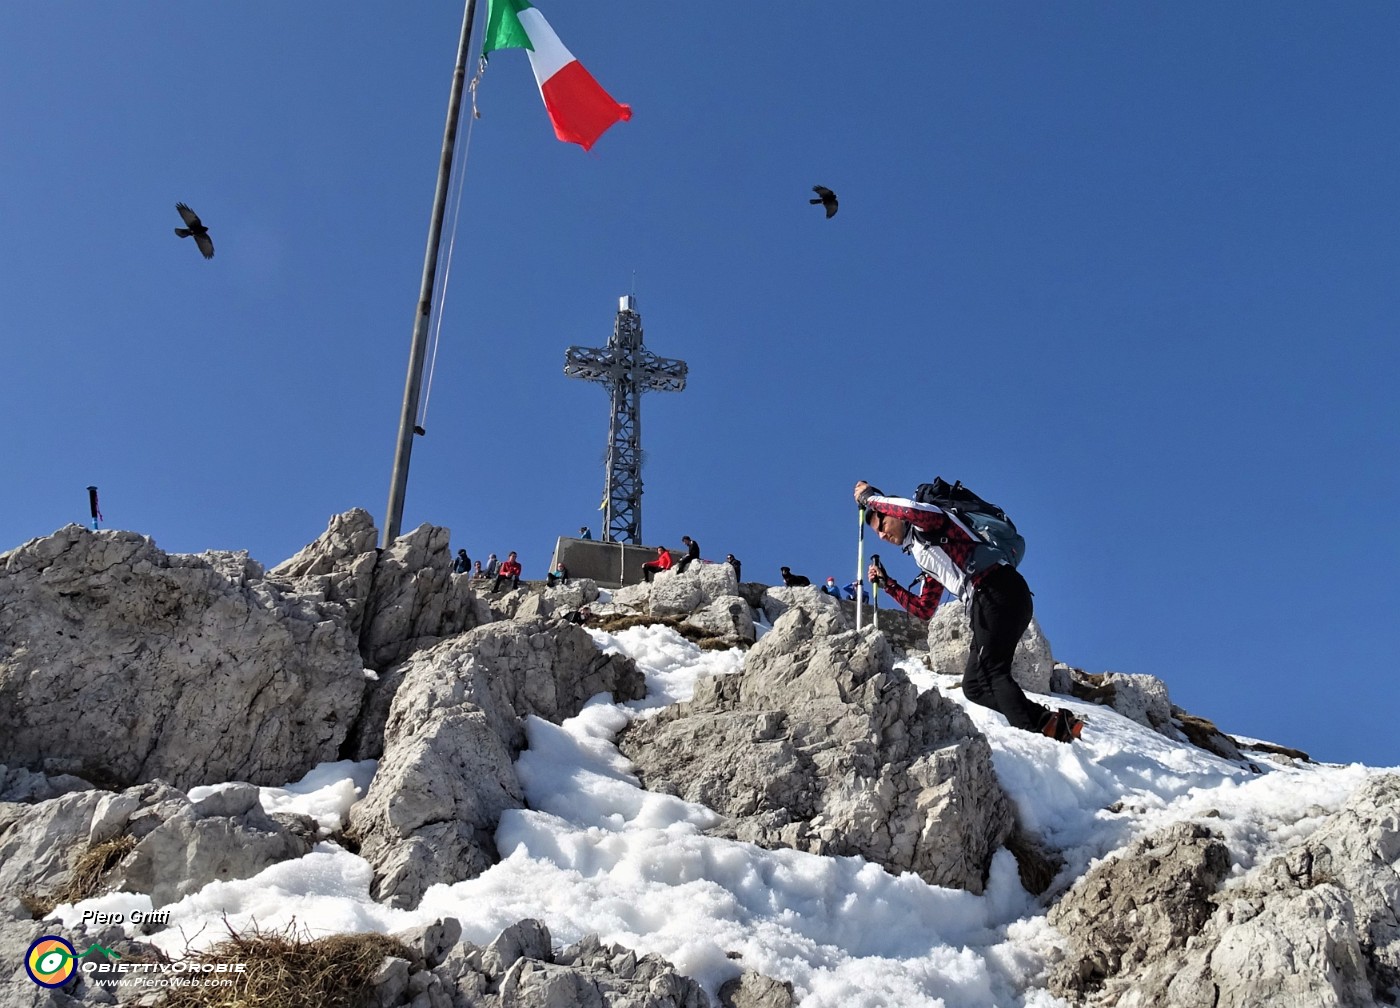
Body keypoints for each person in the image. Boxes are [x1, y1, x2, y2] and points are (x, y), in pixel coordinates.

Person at [856, 480, 1082, 742]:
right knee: (974, 686)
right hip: (995, 599)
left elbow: (912, 511)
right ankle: (1050, 724)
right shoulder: (926, 551)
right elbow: (925, 608)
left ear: (894, 513)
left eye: (883, 525)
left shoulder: (931, 521)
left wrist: (870, 498)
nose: (882, 535)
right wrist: (889, 585)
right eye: (877, 534)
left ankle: (1039, 734)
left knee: (991, 673)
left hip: (995, 589)